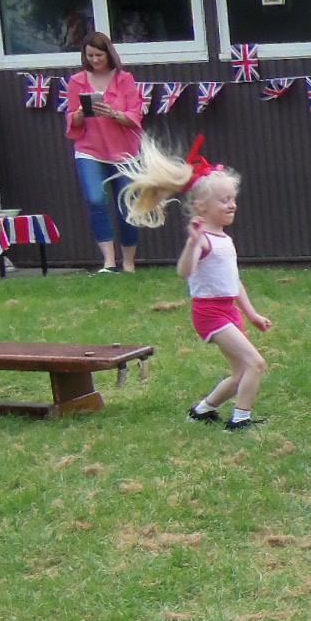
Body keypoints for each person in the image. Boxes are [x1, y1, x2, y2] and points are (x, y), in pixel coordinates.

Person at [117, 137, 273, 430]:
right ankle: (240, 421)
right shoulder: (202, 240)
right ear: (202, 207)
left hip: (228, 310)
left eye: (233, 199)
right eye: (224, 200)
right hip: (210, 313)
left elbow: (234, 282)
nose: (232, 205)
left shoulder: (225, 239)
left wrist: (252, 314)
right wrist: (192, 243)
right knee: (256, 363)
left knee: (241, 372)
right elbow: (184, 271)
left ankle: (201, 412)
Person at [62, 31, 146, 273]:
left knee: (126, 205)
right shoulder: (77, 81)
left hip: (124, 151)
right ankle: (108, 261)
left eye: (99, 55)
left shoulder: (124, 79)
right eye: (90, 56)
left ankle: (128, 262)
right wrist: (78, 115)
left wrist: (114, 114)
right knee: (96, 200)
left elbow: (136, 115)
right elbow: (71, 118)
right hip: (89, 149)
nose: (95, 60)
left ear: (109, 54)